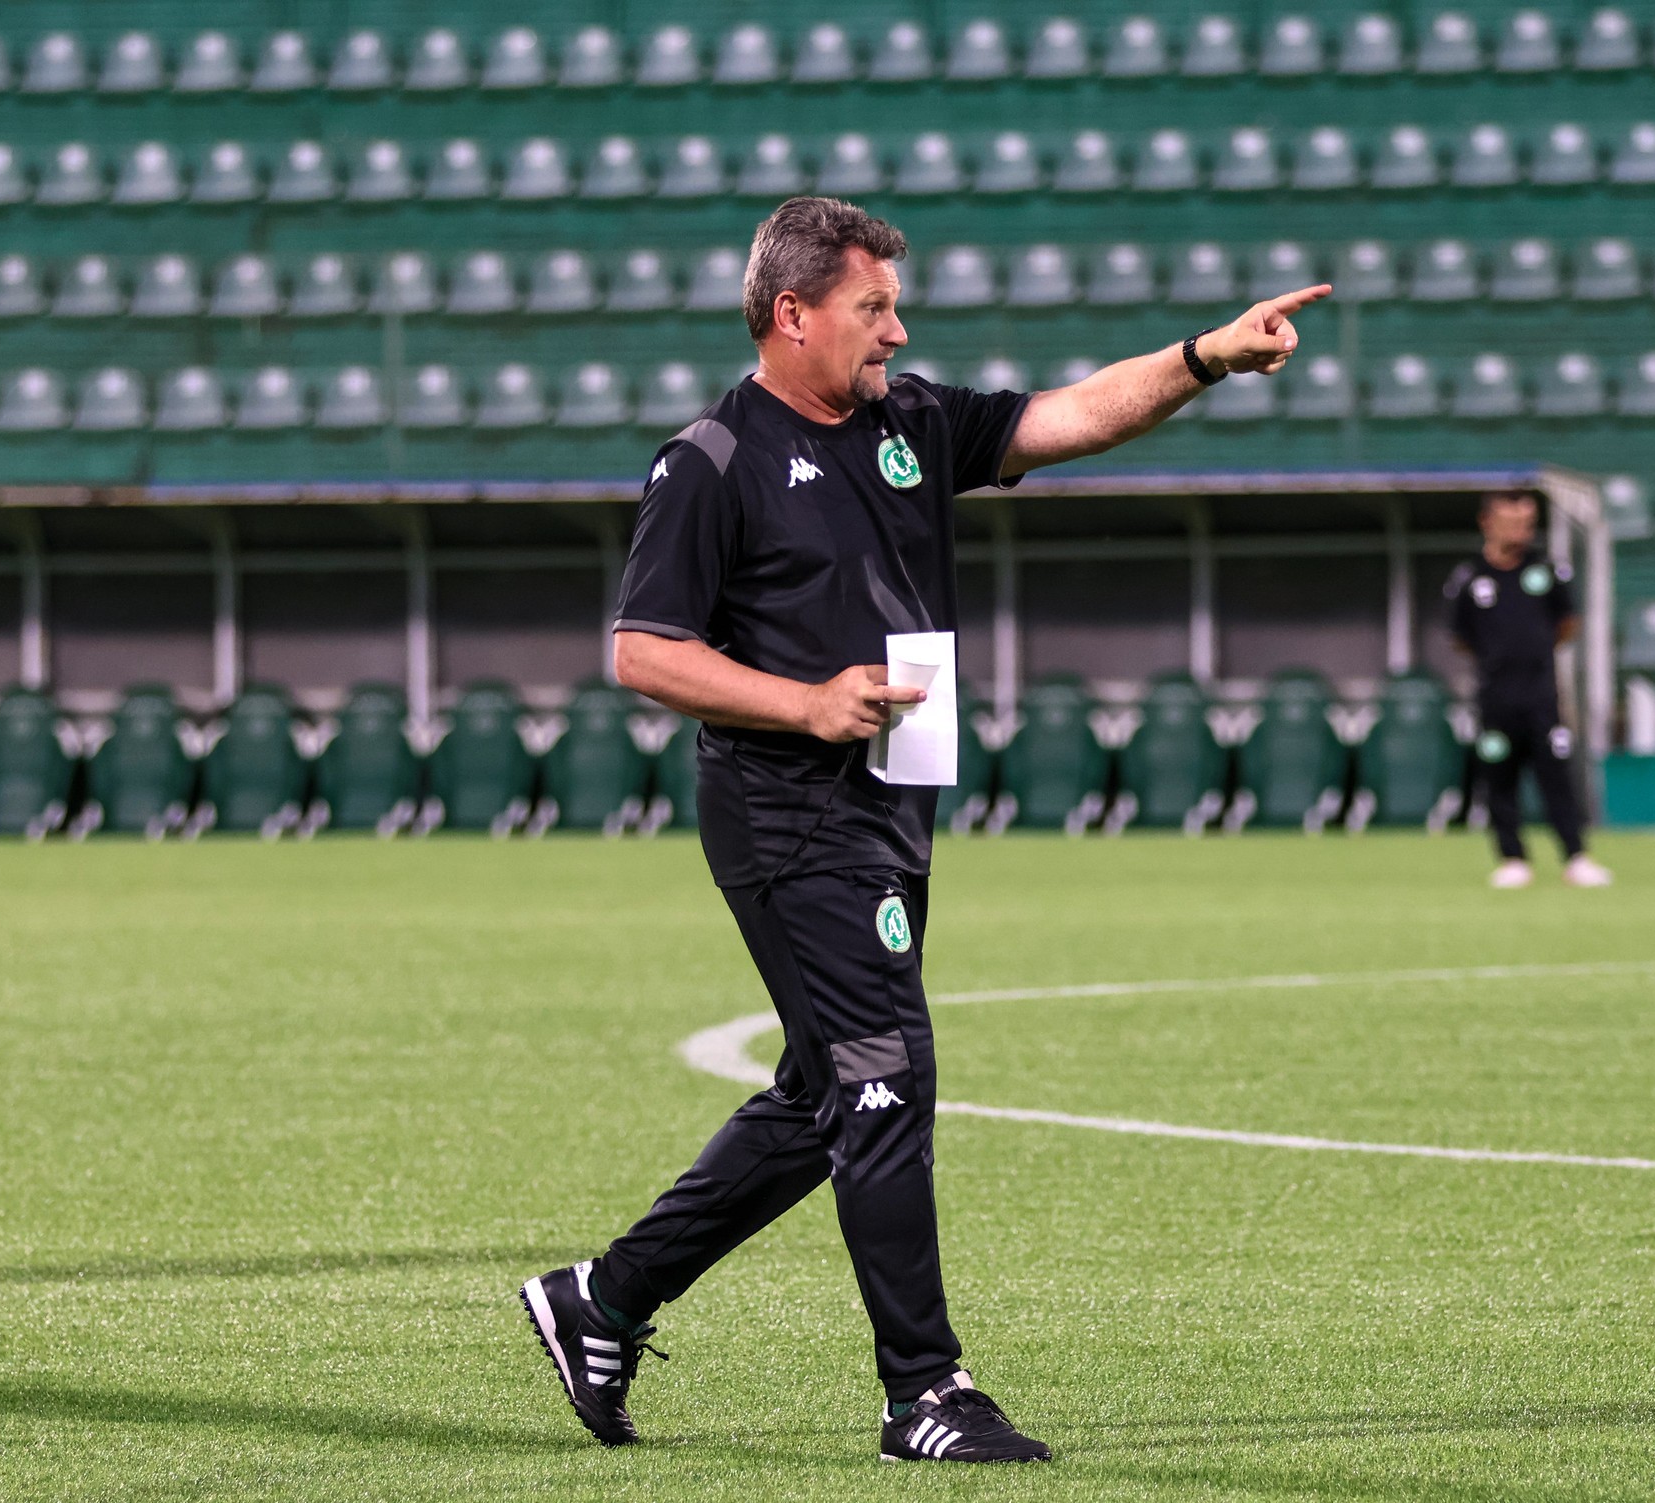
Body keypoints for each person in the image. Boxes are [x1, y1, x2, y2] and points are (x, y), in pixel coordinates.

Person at [520, 196, 1329, 1464]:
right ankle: (924, 1394)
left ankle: (603, 1299)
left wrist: (1202, 359)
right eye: (873, 306)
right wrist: (805, 701)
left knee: (820, 1094)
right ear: (792, 315)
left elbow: (1063, 417)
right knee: (886, 1074)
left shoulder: (908, 424)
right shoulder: (712, 461)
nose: (898, 327)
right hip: (786, 812)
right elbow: (641, 652)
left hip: (892, 805)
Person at [1445, 491, 1613, 890]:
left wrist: (1532, 654)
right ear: (1487, 522)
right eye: (1512, 520)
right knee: (1498, 777)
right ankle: (1512, 859)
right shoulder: (1469, 578)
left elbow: (1567, 623)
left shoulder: (1546, 572)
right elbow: (1460, 637)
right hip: (1495, 699)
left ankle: (1576, 857)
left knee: (1556, 775)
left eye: (1527, 521)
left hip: (1542, 697)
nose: (1522, 529)